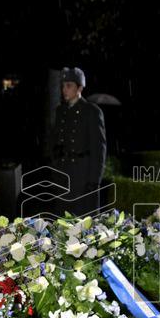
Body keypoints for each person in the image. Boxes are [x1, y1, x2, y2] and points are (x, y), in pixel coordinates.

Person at [43, 67, 106, 216]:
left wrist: (94, 181)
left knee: (84, 223)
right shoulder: (61, 111)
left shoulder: (91, 111)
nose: (64, 89)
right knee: (62, 220)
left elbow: (99, 149)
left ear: (80, 87)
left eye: (69, 85)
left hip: (83, 177)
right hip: (63, 175)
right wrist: (55, 164)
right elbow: (54, 140)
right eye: (63, 86)